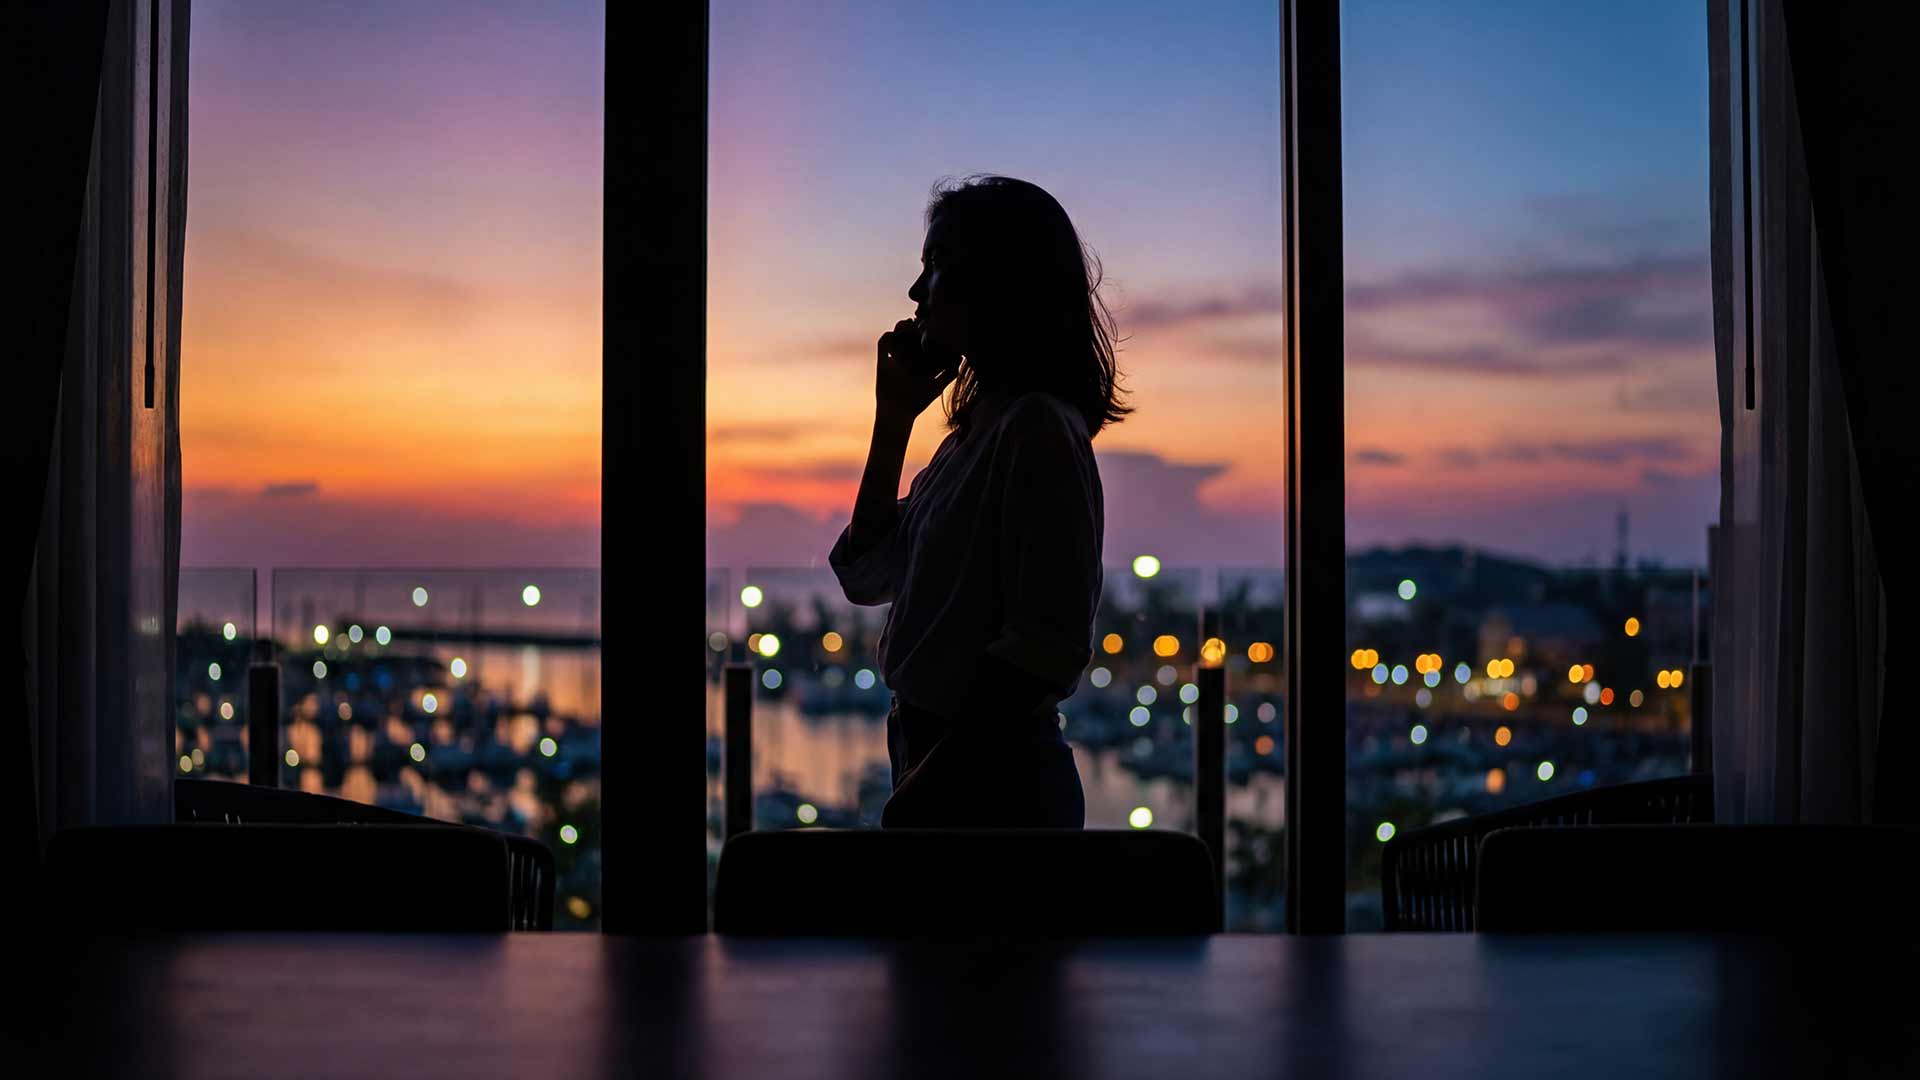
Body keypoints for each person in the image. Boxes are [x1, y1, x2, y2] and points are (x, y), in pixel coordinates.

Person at [829, 174, 1132, 828]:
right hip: (939, 759)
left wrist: (930, 785)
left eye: (936, 264)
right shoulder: (976, 437)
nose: (915, 292)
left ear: (1000, 278)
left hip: (990, 785)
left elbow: (1046, 648)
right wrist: (893, 420)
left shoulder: (1037, 430)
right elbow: (868, 574)